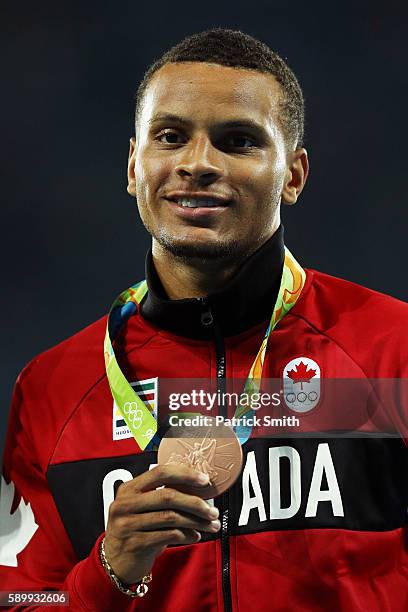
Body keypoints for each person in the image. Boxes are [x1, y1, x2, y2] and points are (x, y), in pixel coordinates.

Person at [0, 28, 407, 612]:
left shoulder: (393, 349)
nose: (197, 164)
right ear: (135, 164)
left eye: (238, 141)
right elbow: (22, 601)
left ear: (293, 175)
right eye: (170, 137)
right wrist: (110, 570)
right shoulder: (50, 387)